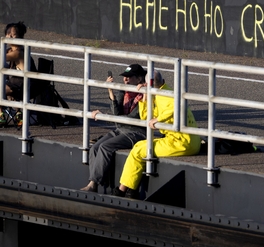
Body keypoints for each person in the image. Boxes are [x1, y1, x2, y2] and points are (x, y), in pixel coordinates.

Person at [113, 70, 201, 198]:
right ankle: (131, 189)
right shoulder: (158, 93)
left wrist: (159, 119)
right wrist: (144, 99)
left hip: (182, 142)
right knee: (139, 146)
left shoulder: (167, 95)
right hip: (182, 140)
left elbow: (175, 107)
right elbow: (145, 117)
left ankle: (122, 190)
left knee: (138, 151)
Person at [80, 63, 148, 192]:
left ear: (139, 79)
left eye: (129, 77)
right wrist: (110, 91)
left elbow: (132, 119)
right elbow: (117, 116)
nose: (125, 79)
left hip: (136, 133)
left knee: (106, 147)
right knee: (94, 148)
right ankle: (95, 182)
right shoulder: (124, 90)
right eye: (124, 77)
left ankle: (93, 184)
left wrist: (105, 115)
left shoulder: (144, 94)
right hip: (121, 129)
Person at [1, 21, 33, 127]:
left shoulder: (17, 53)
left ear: (20, 37)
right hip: (17, 84)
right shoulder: (11, 50)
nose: (10, 36)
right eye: (8, 33)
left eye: (13, 35)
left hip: (21, 86)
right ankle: (18, 113)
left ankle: (1, 115)